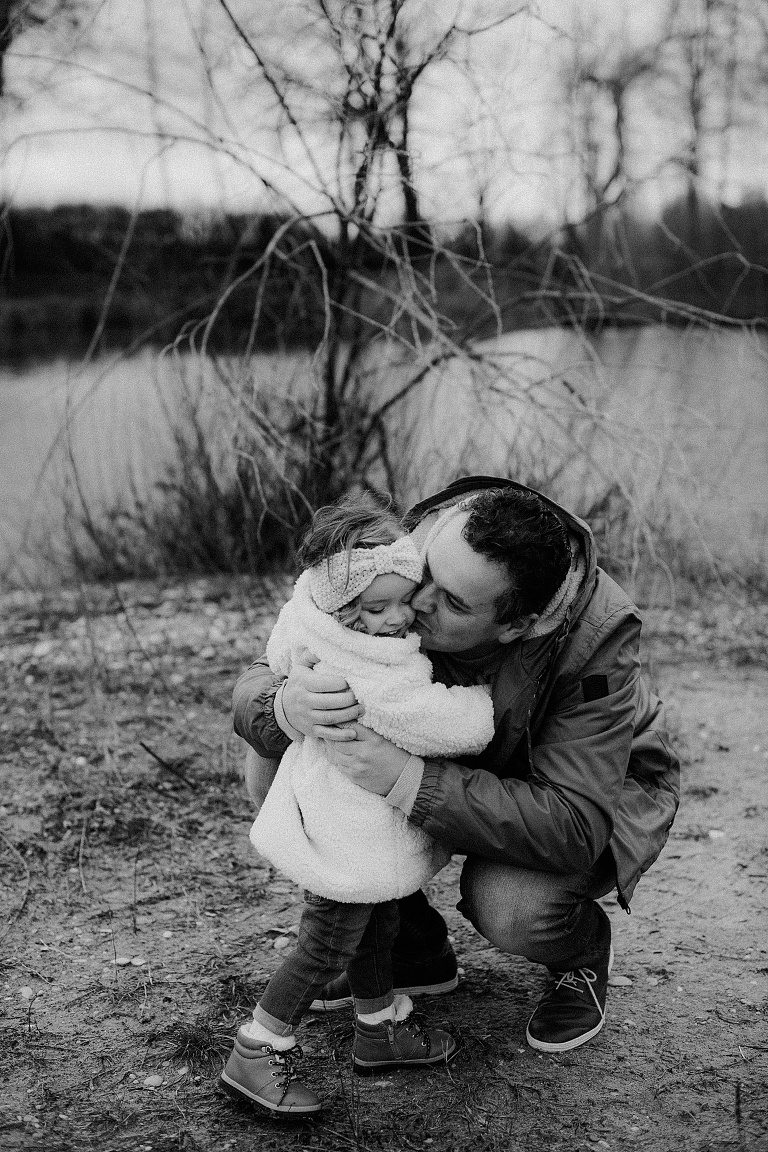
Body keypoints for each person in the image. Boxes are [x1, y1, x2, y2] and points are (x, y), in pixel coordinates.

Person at [233, 477, 680, 1059]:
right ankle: (413, 947)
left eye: (453, 603)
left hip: (575, 787)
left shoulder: (597, 637)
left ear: (517, 625)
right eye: (426, 575)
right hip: (444, 746)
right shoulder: (399, 554)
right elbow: (279, 653)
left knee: (512, 906)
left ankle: (582, 952)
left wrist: (405, 779)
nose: (416, 604)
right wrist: (283, 705)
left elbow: (573, 824)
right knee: (275, 762)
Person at [221, 495, 495, 1115]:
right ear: (344, 606)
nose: (399, 618)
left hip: (342, 815)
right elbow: (443, 724)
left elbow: (276, 653)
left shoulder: (306, 617)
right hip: (348, 829)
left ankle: (378, 1025)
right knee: (325, 945)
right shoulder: (369, 673)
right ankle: (257, 1046)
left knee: (378, 926)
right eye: (377, 608)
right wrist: (482, 703)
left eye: (406, 599)